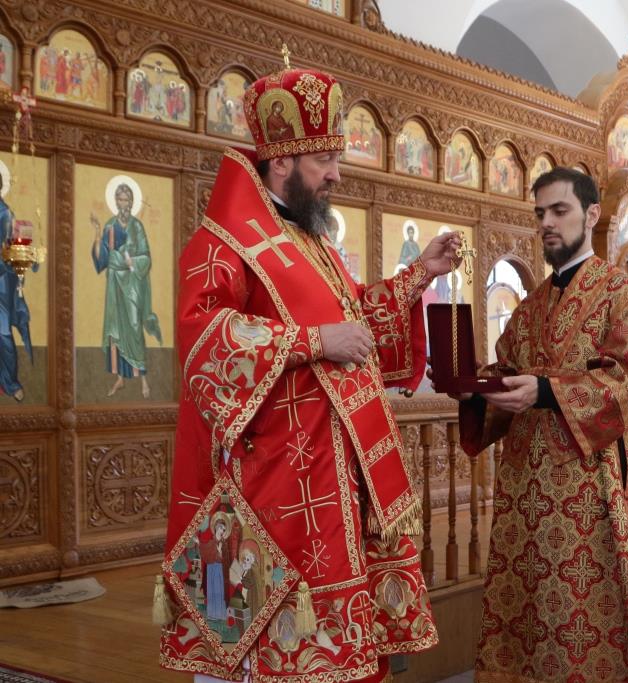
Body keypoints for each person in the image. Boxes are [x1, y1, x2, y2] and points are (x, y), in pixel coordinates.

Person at [158, 64, 462, 683]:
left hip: (331, 474)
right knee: (266, 646)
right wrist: (314, 341)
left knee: (341, 653)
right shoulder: (225, 242)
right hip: (272, 483)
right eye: (324, 159)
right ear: (282, 163)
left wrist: (418, 276)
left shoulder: (312, 243)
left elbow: (354, 323)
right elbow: (204, 336)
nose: (336, 174)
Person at [455, 167, 628, 682]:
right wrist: (476, 390)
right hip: (527, 497)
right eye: (541, 214)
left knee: (588, 623)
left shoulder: (625, 295)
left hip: (591, 496)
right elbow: (507, 373)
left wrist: (546, 391)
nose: (548, 224)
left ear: (591, 214)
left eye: (560, 211)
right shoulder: (529, 306)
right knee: (530, 621)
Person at [90, 183, 161, 399]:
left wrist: (132, 261)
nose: (123, 204)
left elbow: (146, 257)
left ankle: (143, 379)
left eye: (126, 200)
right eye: (120, 200)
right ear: (116, 202)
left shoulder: (137, 227)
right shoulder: (110, 226)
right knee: (116, 330)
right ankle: (120, 378)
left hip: (132, 284)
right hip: (114, 284)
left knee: (134, 327)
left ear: (131, 202)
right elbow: (102, 259)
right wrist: (97, 232)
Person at [0, 178, 32, 402]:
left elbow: (15, 251)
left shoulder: (5, 215)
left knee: (3, 334)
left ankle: (11, 382)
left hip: (1, 283)